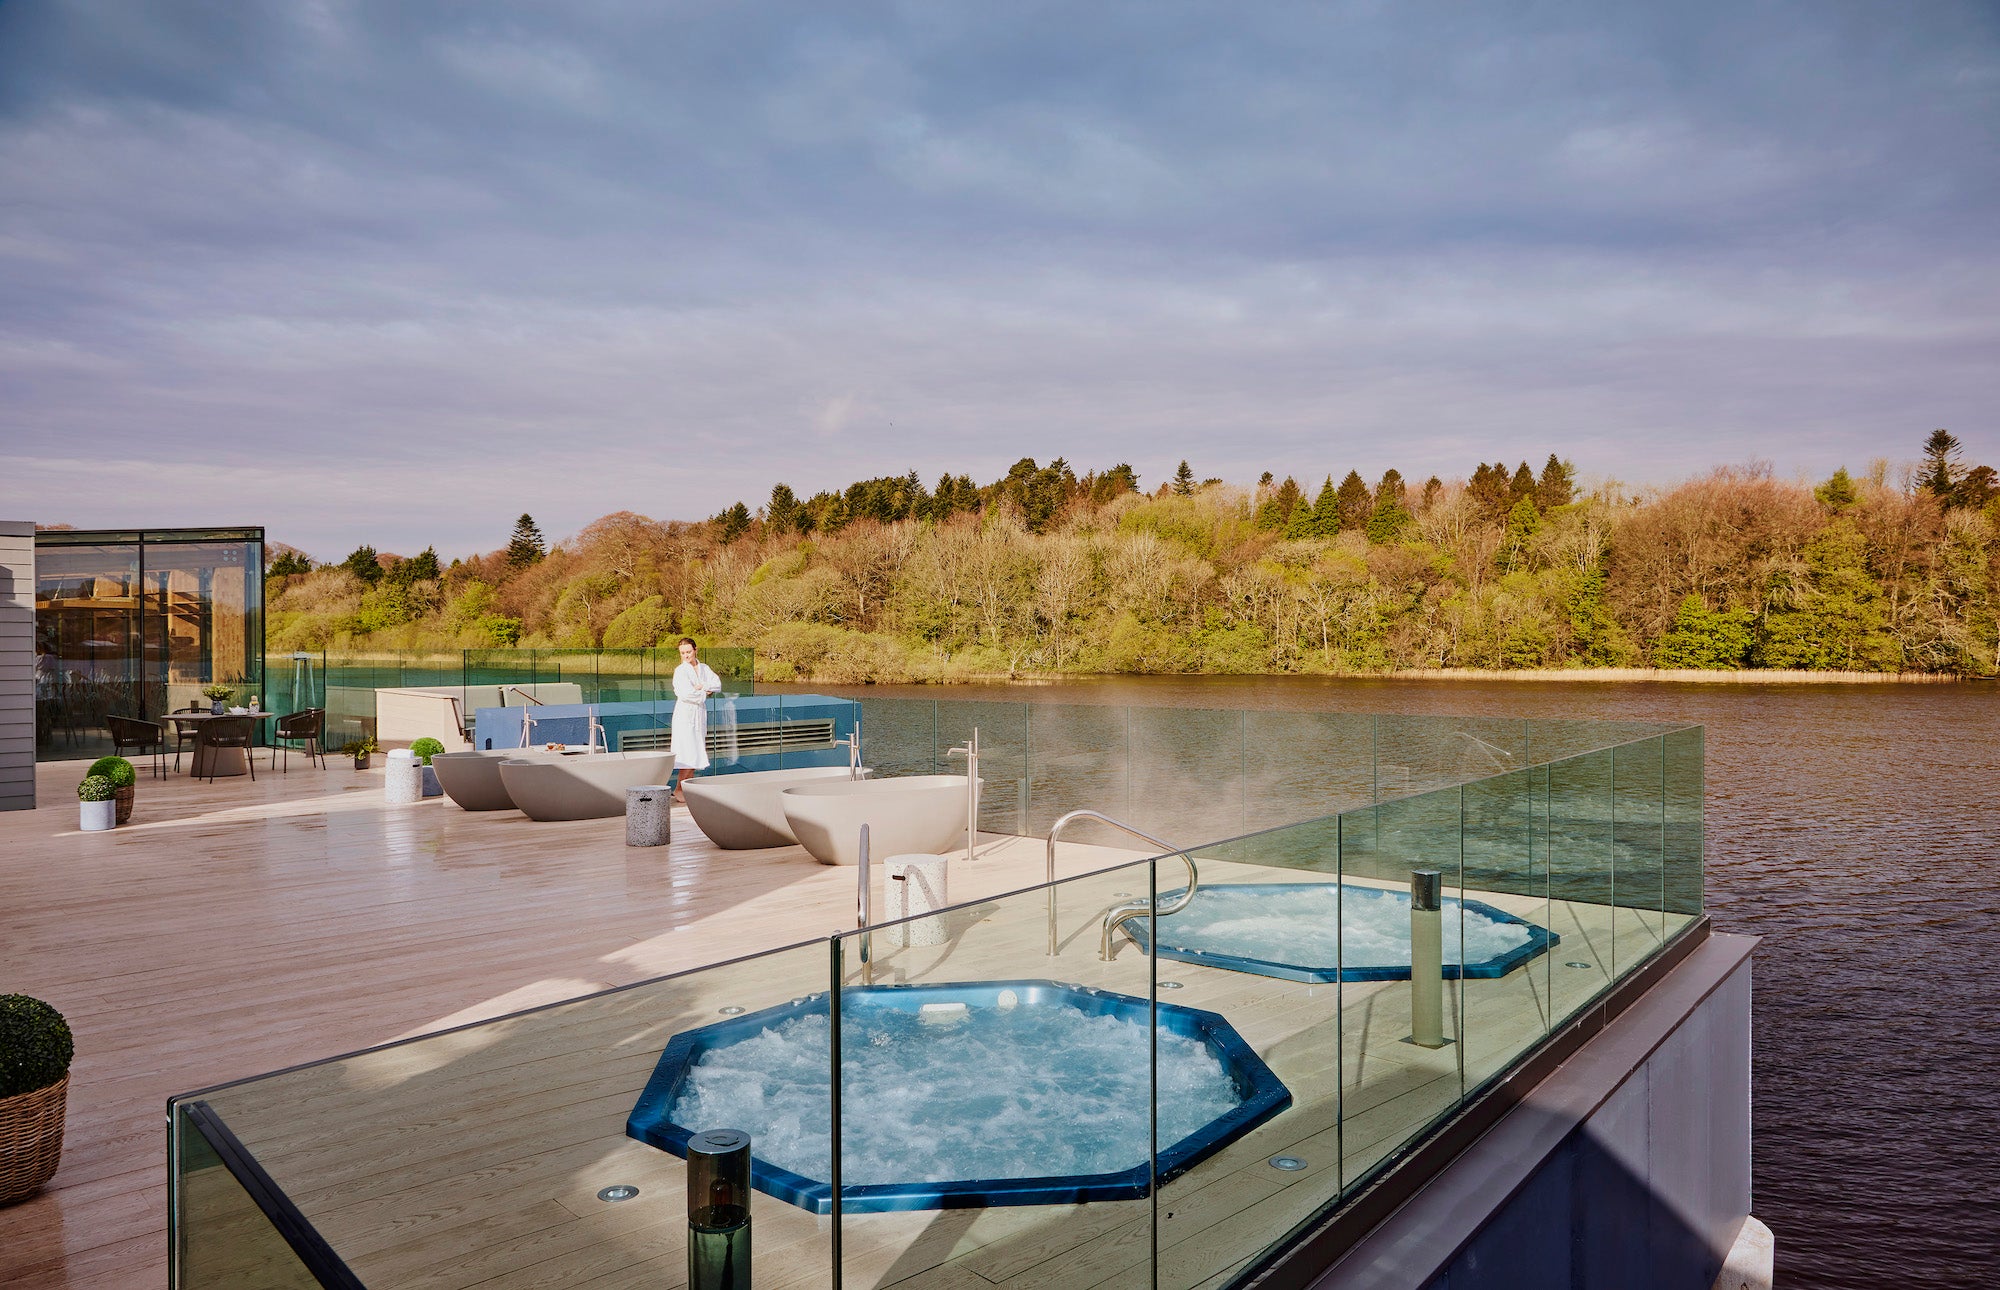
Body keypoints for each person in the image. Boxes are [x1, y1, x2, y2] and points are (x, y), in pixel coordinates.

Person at [670, 637, 720, 803]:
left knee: (696, 751)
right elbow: (684, 693)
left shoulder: (704, 668)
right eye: (683, 653)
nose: (686, 655)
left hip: (699, 714)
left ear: (695, 650)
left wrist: (701, 687)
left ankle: (685, 789)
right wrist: (704, 691)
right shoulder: (680, 671)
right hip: (684, 715)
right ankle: (678, 788)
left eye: (688, 652)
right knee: (687, 752)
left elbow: (717, 684)